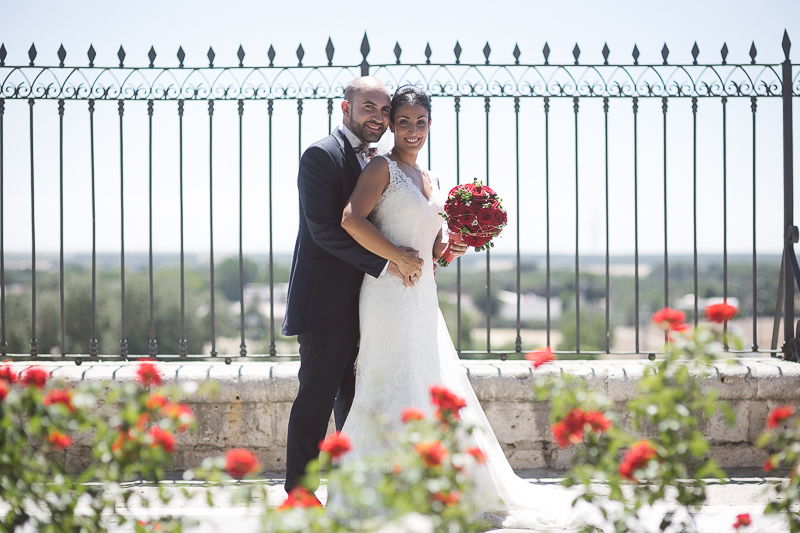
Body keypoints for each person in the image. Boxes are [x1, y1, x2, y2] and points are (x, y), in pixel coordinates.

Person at [338, 85, 586, 529]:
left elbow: (427, 243)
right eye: (403, 122)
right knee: (390, 378)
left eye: (420, 122)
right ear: (391, 125)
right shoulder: (381, 167)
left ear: (430, 123)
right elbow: (351, 219)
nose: (412, 130)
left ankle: (432, 481)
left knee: (427, 377)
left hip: (423, 291)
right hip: (387, 294)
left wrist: (448, 246)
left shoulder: (429, 178)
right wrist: (394, 256)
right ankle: (378, 488)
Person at [281, 77, 425, 494]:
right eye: (369, 108)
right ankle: (300, 497)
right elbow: (325, 229)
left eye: (384, 110)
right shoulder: (320, 155)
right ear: (345, 109)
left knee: (356, 403)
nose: (378, 117)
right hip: (325, 306)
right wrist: (387, 261)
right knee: (316, 403)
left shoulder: (379, 161)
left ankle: (349, 497)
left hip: (370, 304)